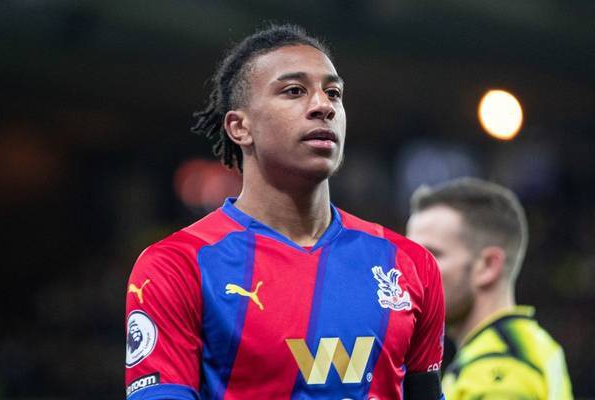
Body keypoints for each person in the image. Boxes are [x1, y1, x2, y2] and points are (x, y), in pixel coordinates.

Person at [124, 24, 445, 399]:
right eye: (294, 91)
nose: (323, 106)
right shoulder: (177, 266)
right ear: (240, 127)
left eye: (334, 93)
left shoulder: (410, 265)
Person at [406, 177, 573, 400]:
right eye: (408, 256)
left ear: (488, 266)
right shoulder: (529, 345)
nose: (409, 271)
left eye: (430, 255)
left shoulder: (499, 372)